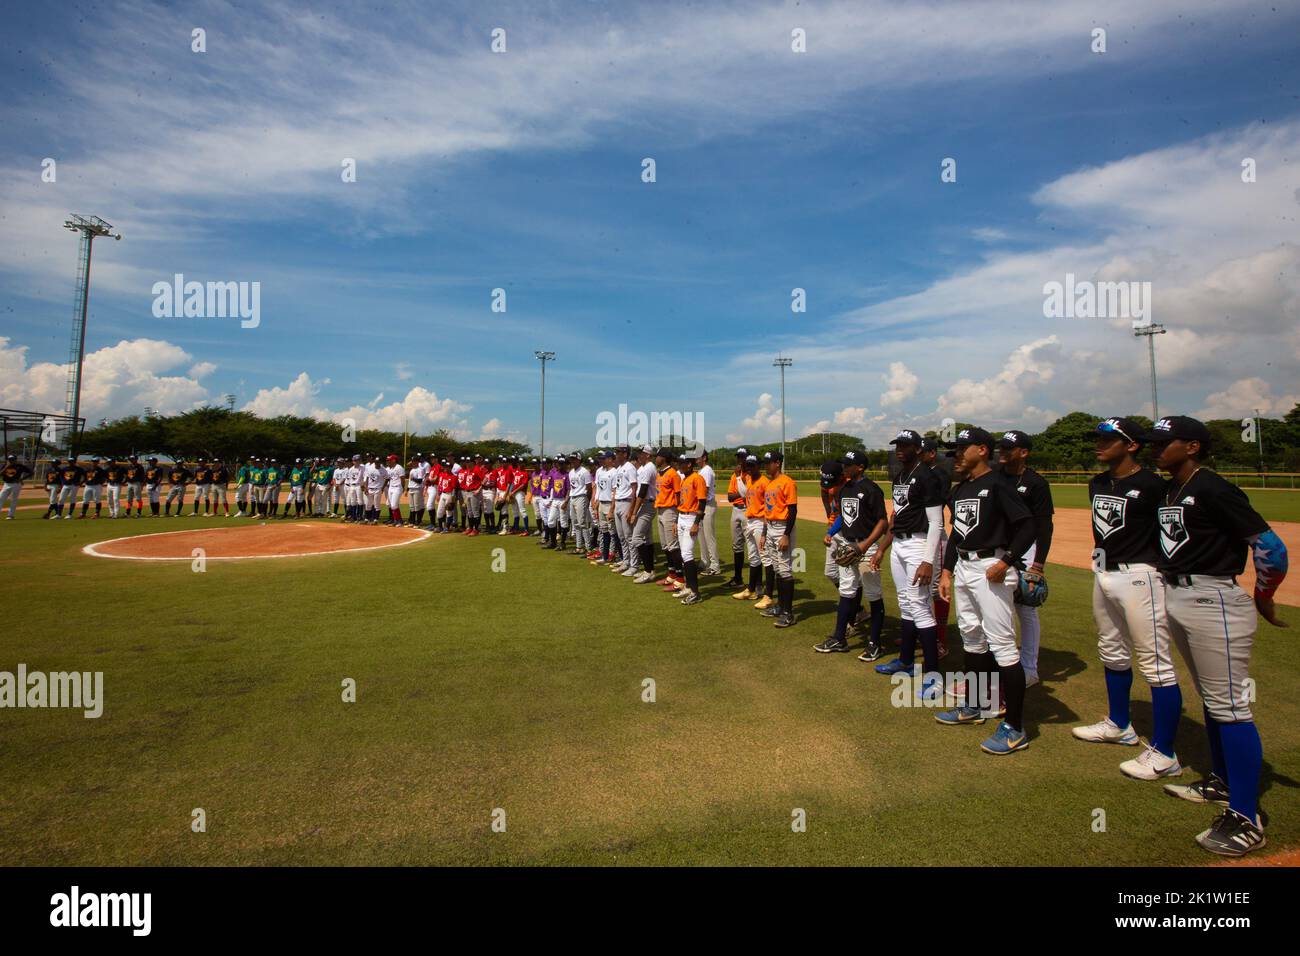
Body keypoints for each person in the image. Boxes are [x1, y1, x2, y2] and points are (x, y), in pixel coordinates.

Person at [1145, 416, 1288, 856]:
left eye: (1164, 442)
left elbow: (1271, 547)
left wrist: (1264, 596)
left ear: (1191, 446)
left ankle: (1247, 817)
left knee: (1229, 706)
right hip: (1182, 595)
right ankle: (1223, 783)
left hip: (1214, 599)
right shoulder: (1173, 487)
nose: (1156, 448)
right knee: (1213, 700)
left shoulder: (1213, 487)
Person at [1072, 418, 1182, 776]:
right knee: (1111, 649)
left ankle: (1165, 751)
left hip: (1141, 575)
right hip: (1104, 572)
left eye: (1107, 440)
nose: (1098, 445)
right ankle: (1120, 725)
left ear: (1131, 445)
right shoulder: (1098, 482)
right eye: (1097, 439)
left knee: (1156, 662)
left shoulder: (1153, 485)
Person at [934, 427, 1036, 755]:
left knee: (1003, 645)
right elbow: (957, 534)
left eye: (962, 449)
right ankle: (975, 706)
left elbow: (1028, 526)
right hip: (964, 567)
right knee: (972, 640)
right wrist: (947, 571)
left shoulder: (999, 485)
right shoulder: (961, 489)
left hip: (991, 568)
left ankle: (1015, 727)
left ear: (982, 449)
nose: (957, 456)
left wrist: (1008, 562)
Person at [871, 430, 946, 688]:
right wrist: (883, 548)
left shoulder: (927, 476)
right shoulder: (901, 475)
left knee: (920, 606)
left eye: (905, 445)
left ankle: (934, 675)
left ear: (918, 448)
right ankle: (905, 661)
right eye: (897, 445)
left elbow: (937, 522)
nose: (899, 449)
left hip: (919, 543)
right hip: (900, 544)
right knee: (905, 602)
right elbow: (897, 515)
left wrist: (928, 560)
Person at [815, 449, 889, 653]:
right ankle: (839, 638)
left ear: (861, 467)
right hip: (848, 547)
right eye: (844, 464)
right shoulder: (844, 489)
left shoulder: (872, 489)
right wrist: (831, 532)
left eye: (848, 465)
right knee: (846, 592)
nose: (844, 468)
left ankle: (875, 643)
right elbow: (842, 515)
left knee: (874, 593)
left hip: (867, 547)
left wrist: (867, 545)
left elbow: (883, 522)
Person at [997, 430, 1055, 687]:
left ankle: (1029, 667)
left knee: (1026, 608)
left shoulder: (1035, 483)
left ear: (1024, 452)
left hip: (1026, 549)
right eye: (1002, 448)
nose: (1003, 452)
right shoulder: (995, 478)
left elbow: (1044, 526)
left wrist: (1038, 565)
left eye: (1009, 448)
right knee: (998, 607)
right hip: (999, 548)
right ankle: (1003, 662)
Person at [758, 450, 799, 628]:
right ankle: (780, 607)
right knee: (776, 568)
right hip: (771, 527)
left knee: (784, 570)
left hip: (783, 528)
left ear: (778, 463)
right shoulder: (770, 483)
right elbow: (768, 511)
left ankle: (788, 613)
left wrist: (786, 535)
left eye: (768, 463)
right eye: (765, 463)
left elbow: (792, 511)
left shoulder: (787, 482)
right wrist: (765, 533)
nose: (766, 466)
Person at [673, 453, 709, 604]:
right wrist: (676, 520)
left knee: (687, 554)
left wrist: (696, 523)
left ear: (689, 464)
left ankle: (695, 592)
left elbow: (702, 502)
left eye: (682, 463)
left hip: (691, 518)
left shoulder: (698, 478)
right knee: (683, 553)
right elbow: (681, 502)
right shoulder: (685, 479)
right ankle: (688, 587)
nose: (679, 465)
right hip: (682, 516)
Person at [732, 454, 767, 601]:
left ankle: (767, 593)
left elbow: (768, 505)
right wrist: (738, 476)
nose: (750, 468)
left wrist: (766, 528)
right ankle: (752, 590)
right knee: (753, 557)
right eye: (748, 466)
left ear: (759, 466)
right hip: (750, 520)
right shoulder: (748, 479)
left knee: (765, 557)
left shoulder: (764, 482)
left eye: (752, 465)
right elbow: (741, 494)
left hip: (760, 521)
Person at [652, 448, 682, 589]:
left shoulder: (673, 474)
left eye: (657, 456)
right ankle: (671, 575)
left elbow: (678, 496)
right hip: (660, 510)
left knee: (673, 546)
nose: (655, 458)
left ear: (663, 458)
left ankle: (681, 578)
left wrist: (677, 517)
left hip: (670, 511)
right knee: (665, 545)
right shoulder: (660, 473)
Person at [627, 445, 658, 582]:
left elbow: (642, 491)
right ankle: (650, 570)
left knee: (636, 538)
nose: (639, 455)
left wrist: (634, 512)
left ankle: (647, 570)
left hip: (648, 504)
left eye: (642, 453)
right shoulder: (644, 468)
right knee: (648, 539)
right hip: (647, 504)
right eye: (638, 453)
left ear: (648, 455)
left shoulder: (648, 468)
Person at [724, 448, 750, 588]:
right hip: (736, 510)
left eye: (743, 458)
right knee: (737, 546)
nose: (740, 461)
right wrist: (741, 493)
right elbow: (730, 497)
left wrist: (740, 492)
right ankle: (738, 578)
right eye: (739, 458)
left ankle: (756, 583)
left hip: (748, 511)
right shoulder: (734, 476)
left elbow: (747, 494)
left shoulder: (750, 475)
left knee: (754, 547)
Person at [696, 449, 720, 576]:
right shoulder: (702, 470)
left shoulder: (706, 471)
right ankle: (705, 561)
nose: (696, 459)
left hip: (707, 506)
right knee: (702, 537)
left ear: (704, 457)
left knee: (709, 536)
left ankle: (715, 565)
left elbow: (703, 491)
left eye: (698, 456)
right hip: (703, 506)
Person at [1, 454, 31, 520]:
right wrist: (6, 466)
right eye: (10, 460)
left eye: (12, 459)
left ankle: (10, 515)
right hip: (6, 484)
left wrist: (22, 479)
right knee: (1, 498)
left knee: (13, 500)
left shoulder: (20, 466)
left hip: (16, 484)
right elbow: (0, 474)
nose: (11, 461)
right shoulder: (6, 465)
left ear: (15, 460)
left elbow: (31, 472)